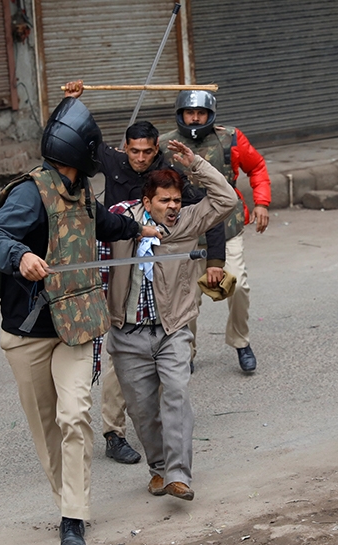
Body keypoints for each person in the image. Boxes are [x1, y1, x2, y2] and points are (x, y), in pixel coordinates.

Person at [0, 97, 157, 545]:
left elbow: (100, 223)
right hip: (28, 334)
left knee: (74, 416)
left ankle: (73, 516)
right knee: (47, 429)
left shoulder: (80, 191)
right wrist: (20, 255)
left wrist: (138, 229)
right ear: (83, 151)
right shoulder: (30, 193)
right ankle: (65, 501)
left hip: (75, 327)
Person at [62, 80, 225, 462]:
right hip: (124, 274)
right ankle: (114, 432)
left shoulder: (170, 178)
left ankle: (166, 429)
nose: (139, 158)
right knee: (121, 364)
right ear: (125, 148)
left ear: (156, 150)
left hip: (170, 275)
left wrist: (215, 263)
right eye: (133, 151)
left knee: (177, 352)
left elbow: (210, 215)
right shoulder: (112, 162)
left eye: (147, 151)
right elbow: (76, 141)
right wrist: (70, 103)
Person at [105, 146, 237, 502]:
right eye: (165, 200)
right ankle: (160, 469)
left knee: (176, 395)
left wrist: (196, 165)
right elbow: (94, 227)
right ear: (147, 202)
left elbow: (226, 199)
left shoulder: (188, 222)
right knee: (143, 411)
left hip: (173, 330)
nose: (173, 206)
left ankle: (178, 475)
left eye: (177, 200)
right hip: (127, 333)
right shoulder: (123, 221)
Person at [159, 90, 271, 374]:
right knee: (187, 297)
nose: (195, 118)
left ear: (211, 115)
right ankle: (186, 351)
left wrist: (262, 203)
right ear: (181, 114)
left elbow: (257, 166)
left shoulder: (230, 138)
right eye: (190, 112)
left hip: (227, 226)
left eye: (201, 113)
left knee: (238, 286)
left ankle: (241, 341)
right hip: (184, 232)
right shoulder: (163, 145)